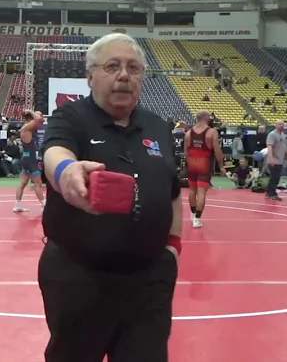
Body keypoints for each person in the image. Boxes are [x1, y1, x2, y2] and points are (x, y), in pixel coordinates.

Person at [40, 33, 182, 362]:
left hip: (149, 282)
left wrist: (173, 248)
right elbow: (54, 152)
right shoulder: (70, 117)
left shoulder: (159, 127)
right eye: (112, 66)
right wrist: (67, 172)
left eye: (134, 68)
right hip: (78, 278)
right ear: (90, 75)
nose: (124, 75)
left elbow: (172, 191)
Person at [184, 110, 225, 228]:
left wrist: (189, 163)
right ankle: (197, 219)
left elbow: (186, 152)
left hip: (192, 164)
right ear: (206, 118)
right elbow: (217, 150)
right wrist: (221, 166)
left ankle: (192, 215)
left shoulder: (189, 133)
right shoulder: (212, 132)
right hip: (204, 164)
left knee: (192, 191)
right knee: (201, 193)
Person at [13, 110, 46, 212]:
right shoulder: (27, 127)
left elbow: (40, 120)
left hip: (27, 158)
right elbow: (40, 120)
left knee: (23, 183)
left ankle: (18, 205)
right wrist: (31, 111)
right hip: (30, 160)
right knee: (38, 183)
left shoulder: (26, 127)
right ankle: (44, 205)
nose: (41, 116)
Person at [265, 120, 287, 201]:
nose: (281, 125)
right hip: (274, 159)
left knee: (276, 178)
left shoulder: (283, 135)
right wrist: (271, 158)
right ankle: (272, 193)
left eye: (282, 124)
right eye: (279, 124)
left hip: (280, 159)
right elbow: (269, 146)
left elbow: (284, 147)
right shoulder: (272, 134)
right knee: (274, 177)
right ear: (275, 125)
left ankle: (269, 192)